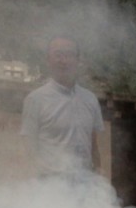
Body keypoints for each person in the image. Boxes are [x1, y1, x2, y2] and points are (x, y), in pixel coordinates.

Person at [20, 35, 104, 177]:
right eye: (58, 55)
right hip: (50, 182)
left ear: (78, 60)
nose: (64, 61)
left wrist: (99, 173)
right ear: (48, 60)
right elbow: (29, 147)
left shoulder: (90, 99)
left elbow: (93, 145)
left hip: (85, 181)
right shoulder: (36, 99)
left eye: (69, 55)